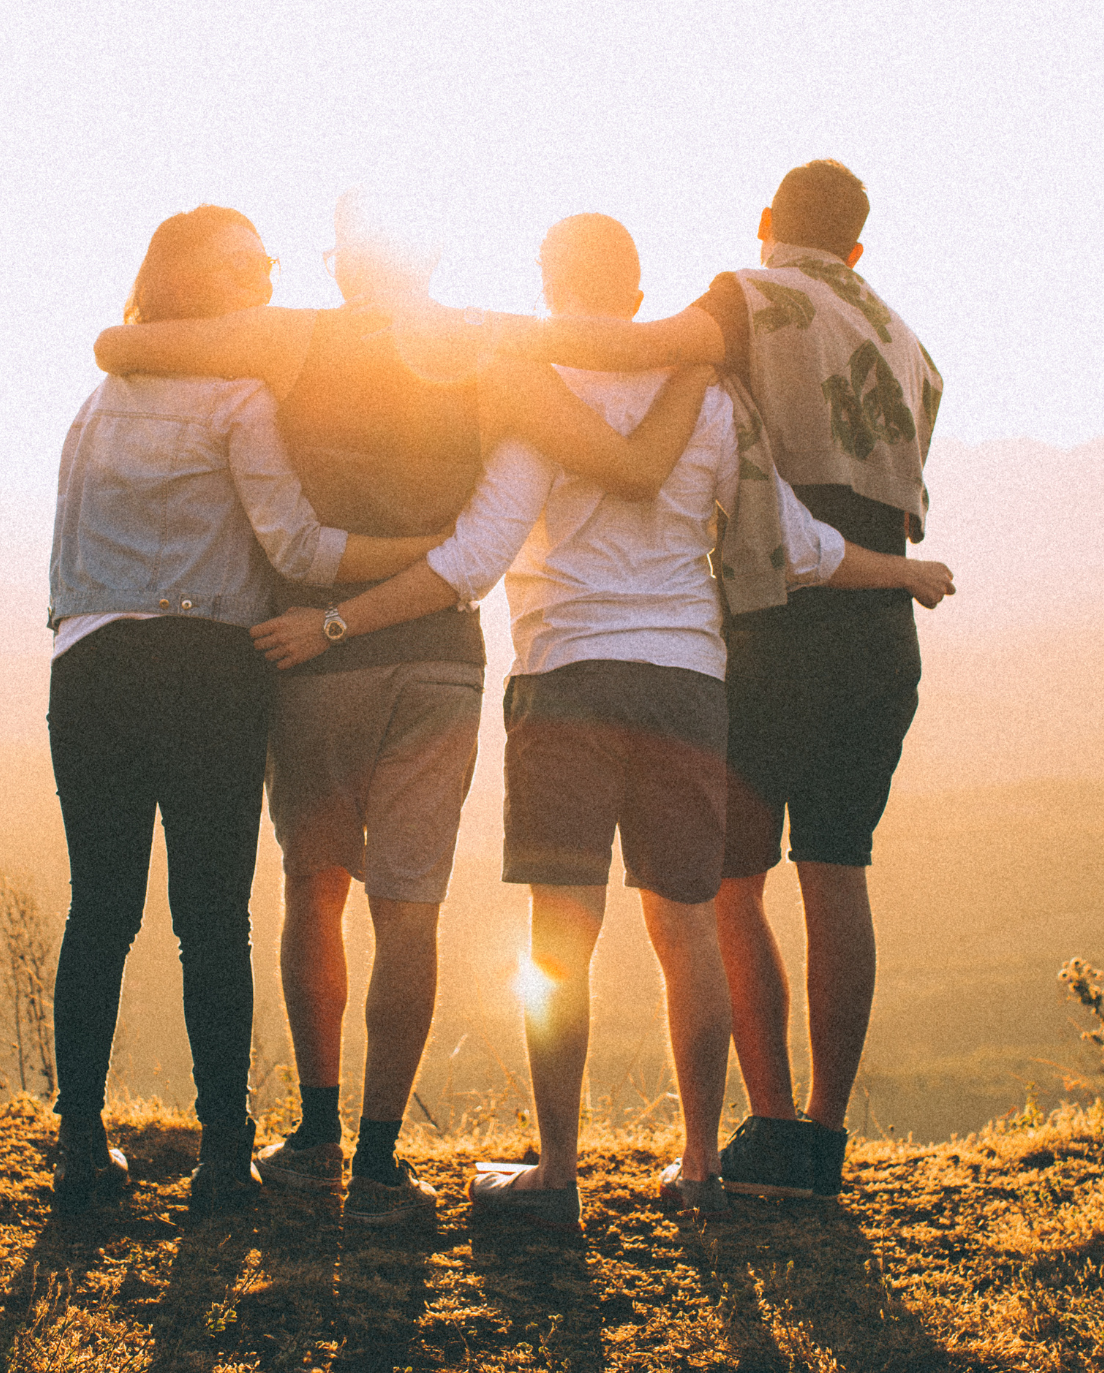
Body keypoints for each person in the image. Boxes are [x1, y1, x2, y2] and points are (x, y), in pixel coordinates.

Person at [252, 212, 954, 1228]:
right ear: (635, 295)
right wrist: (905, 572)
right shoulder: (710, 398)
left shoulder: (536, 394)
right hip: (686, 685)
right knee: (685, 931)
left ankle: (556, 1173)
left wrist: (334, 621)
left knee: (559, 938)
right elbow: (796, 546)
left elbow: (472, 560)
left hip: (565, 679)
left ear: (547, 286)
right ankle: (702, 1166)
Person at [92, 190, 712, 1227]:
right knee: (408, 906)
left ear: (342, 265)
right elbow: (628, 465)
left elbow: (121, 346)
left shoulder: (288, 341)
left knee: (313, 887)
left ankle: (316, 1133)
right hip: (436, 659)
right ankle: (381, 1161)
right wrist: (695, 360)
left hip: (311, 652)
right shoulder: (487, 357)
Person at [46, 205, 442, 1216]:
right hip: (208, 670)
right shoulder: (238, 398)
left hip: (88, 665)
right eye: (247, 264)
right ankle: (224, 1156)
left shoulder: (96, 402)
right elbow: (300, 552)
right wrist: (426, 555)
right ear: (199, 281)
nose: (265, 277)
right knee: (209, 920)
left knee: (100, 911)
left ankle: (81, 1148)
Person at [682, 160, 945, 1200]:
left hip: (771, 624)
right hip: (878, 631)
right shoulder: (909, 342)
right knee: (836, 870)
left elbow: (670, 368)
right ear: (857, 246)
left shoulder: (741, 296)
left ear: (763, 223)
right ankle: (826, 1139)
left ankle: (772, 1125)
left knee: (732, 882)